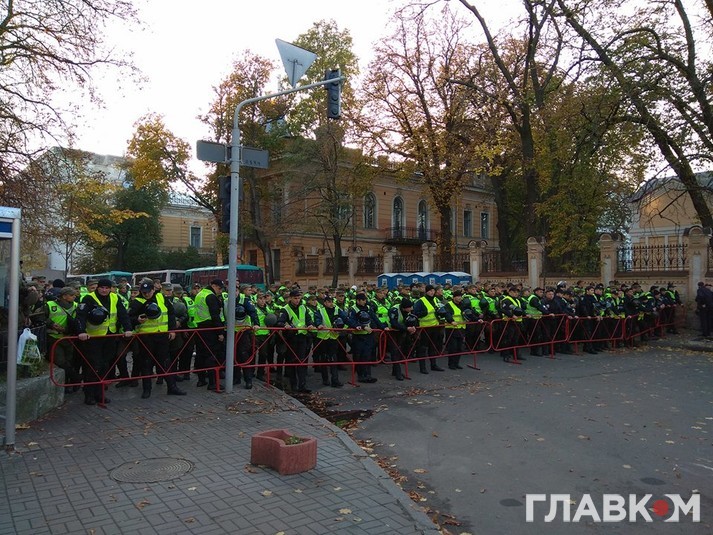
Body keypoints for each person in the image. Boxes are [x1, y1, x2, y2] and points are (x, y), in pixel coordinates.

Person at [76, 278, 133, 406]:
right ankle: (89, 395)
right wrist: (81, 331)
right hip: (93, 337)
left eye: (107, 288)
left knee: (105, 366)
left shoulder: (115, 297)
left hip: (110, 336)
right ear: (98, 288)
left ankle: (99, 394)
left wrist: (128, 328)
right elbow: (81, 316)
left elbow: (123, 314)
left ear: (110, 288)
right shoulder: (88, 298)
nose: (104, 290)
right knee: (93, 366)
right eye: (102, 287)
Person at [129, 281, 186, 399]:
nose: (146, 294)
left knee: (165, 362)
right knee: (146, 363)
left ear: (153, 290)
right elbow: (129, 317)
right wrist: (137, 320)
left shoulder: (161, 297)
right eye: (144, 292)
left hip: (162, 335)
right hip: (146, 337)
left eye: (148, 292)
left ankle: (172, 387)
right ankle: (147, 390)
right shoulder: (137, 302)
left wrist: (172, 330)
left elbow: (170, 313)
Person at [278, 289, 317, 393]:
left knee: (302, 362)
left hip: (302, 337)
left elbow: (308, 319)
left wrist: (310, 324)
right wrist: (285, 325)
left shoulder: (303, 307)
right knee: (292, 362)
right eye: (295, 298)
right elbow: (280, 322)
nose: (297, 300)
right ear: (290, 298)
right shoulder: (285, 309)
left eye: (299, 298)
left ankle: (302, 385)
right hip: (291, 338)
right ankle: (293, 385)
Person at [193, 279, 226, 391]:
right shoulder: (210, 296)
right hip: (210, 329)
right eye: (219, 288)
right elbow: (215, 315)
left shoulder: (200, 294)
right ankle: (213, 383)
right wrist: (220, 332)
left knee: (201, 354)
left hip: (200, 328)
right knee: (212, 355)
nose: (220, 291)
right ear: (213, 286)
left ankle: (201, 380)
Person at [46, 286, 80, 393]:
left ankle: (68, 384)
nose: (74, 297)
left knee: (69, 361)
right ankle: (75, 378)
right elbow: (41, 317)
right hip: (54, 338)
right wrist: (52, 324)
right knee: (60, 361)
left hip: (69, 338)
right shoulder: (50, 305)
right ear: (64, 296)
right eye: (72, 295)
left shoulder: (76, 305)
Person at [347, 292, 384, 383]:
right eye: (363, 300)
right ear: (358, 300)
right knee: (359, 356)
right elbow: (351, 321)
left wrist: (383, 327)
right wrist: (362, 327)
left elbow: (375, 318)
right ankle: (360, 376)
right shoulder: (353, 309)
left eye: (365, 300)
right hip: (358, 336)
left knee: (367, 356)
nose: (364, 301)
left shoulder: (368, 308)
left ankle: (368, 375)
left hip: (368, 335)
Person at [412, 284, 446, 373]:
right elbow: (415, 313)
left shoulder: (435, 299)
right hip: (425, 328)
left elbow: (440, 309)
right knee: (423, 348)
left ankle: (433, 365)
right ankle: (422, 367)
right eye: (430, 291)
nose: (432, 292)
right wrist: (425, 312)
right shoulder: (420, 301)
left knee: (433, 347)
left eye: (433, 291)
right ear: (426, 291)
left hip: (435, 326)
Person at [315, 294, 345, 387]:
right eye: (328, 302)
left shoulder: (337, 310)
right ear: (325, 303)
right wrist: (319, 324)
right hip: (323, 338)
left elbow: (345, 318)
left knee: (333, 359)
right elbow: (317, 319)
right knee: (324, 359)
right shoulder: (320, 311)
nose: (331, 303)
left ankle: (335, 380)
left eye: (331, 301)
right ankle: (325, 379)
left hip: (333, 337)